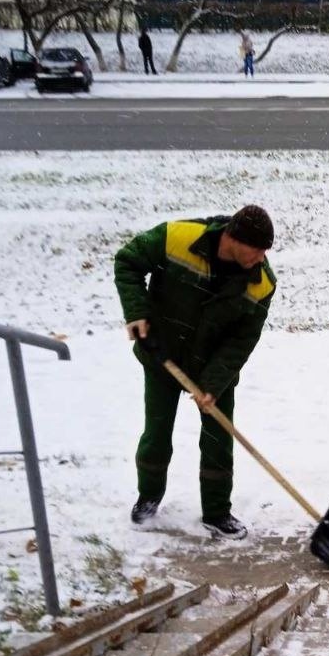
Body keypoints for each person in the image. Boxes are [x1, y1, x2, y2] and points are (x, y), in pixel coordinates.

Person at [114, 206, 277, 540]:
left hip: (215, 364)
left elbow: (242, 340)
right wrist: (137, 311)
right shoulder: (177, 238)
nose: (261, 258)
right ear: (232, 238)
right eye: (256, 249)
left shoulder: (261, 283)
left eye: (266, 251)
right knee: (157, 433)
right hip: (162, 354)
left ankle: (217, 512)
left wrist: (214, 384)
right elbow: (127, 260)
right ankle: (148, 497)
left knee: (218, 440)